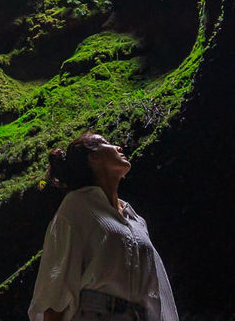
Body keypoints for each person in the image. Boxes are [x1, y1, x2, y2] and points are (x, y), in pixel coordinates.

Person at [27, 132, 179, 321]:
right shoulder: (76, 207)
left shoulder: (136, 220)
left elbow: (154, 289)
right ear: (94, 157)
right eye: (107, 143)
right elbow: (54, 293)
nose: (119, 147)